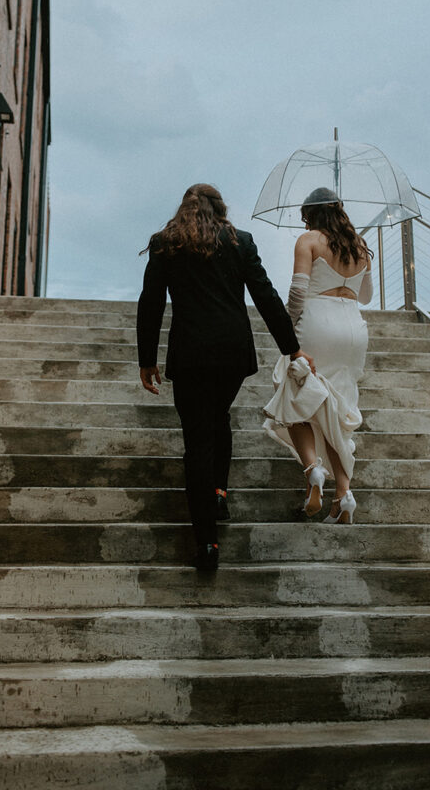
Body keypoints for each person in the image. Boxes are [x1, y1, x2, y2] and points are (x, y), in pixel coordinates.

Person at [137, 183, 314, 572]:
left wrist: (146, 359)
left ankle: (207, 544)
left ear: (184, 208)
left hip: (190, 355)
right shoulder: (240, 242)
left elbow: (150, 301)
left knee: (197, 442)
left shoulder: (165, 242)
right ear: (220, 208)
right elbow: (265, 296)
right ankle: (218, 492)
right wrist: (292, 347)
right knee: (218, 417)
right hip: (232, 353)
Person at [263, 187, 373, 522]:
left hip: (317, 324)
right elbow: (366, 295)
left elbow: (298, 290)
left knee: (296, 396)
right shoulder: (360, 246)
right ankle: (344, 495)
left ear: (309, 215)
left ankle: (313, 469)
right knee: (337, 412)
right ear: (339, 209)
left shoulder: (308, 240)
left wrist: (289, 327)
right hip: (354, 330)